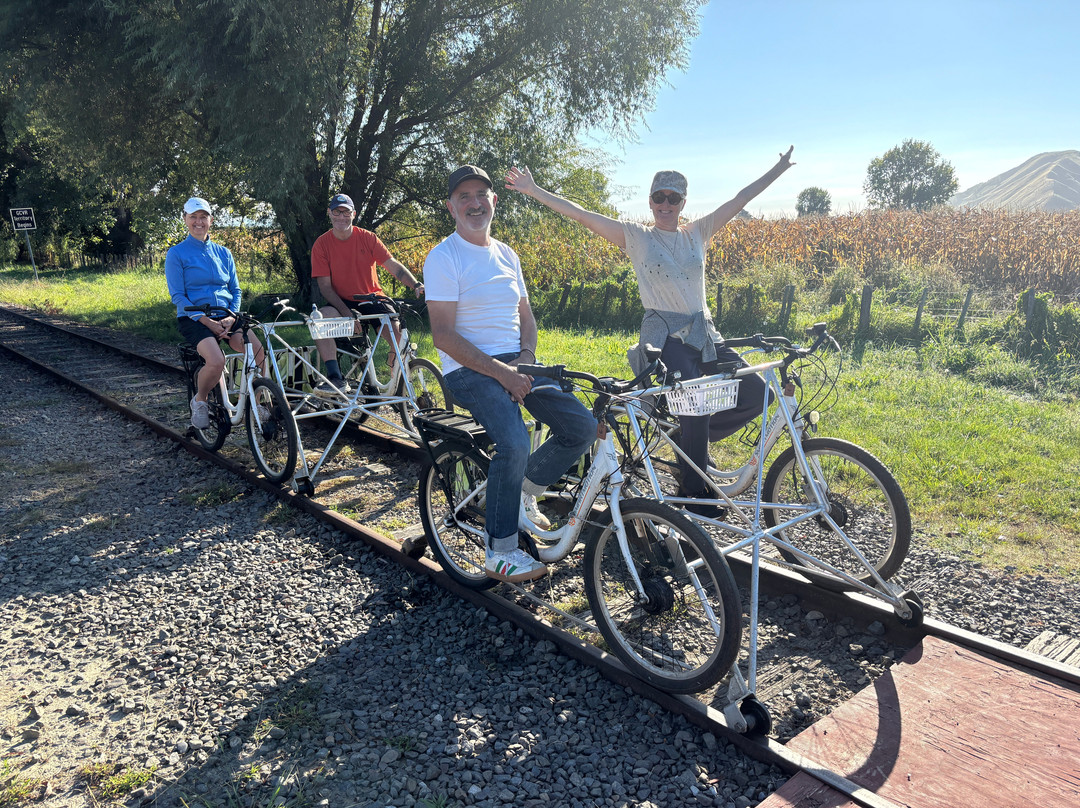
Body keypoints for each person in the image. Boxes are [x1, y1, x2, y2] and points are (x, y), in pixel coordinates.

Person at [504, 148, 795, 510]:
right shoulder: (637, 236)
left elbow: (740, 199)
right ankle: (693, 494)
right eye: (659, 197)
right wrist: (533, 190)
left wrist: (778, 169)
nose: (665, 204)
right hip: (666, 338)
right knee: (695, 403)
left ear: (683, 202)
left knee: (758, 393)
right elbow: (581, 214)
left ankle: (686, 436)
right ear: (651, 200)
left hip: (704, 334)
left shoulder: (697, 232)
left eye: (673, 198)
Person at [424, 165, 597, 583]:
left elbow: (526, 318)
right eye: (464, 197)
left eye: (481, 195)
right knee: (514, 442)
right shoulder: (443, 257)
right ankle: (499, 551)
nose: (474, 203)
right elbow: (443, 336)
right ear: (451, 207)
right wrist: (502, 373)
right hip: (468, 369)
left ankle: (519, 493)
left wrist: (525, 357)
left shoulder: (507, 254)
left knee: (583, 427)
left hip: (516, 362)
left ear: (494, 201)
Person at [310, 193, 424, 395]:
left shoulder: (367, 238)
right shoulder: (321, 244)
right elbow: (325, 287)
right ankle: (335, 378)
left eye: (346, 212)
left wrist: (415, 284)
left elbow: (393, 266)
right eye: (337, 212)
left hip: (371, 297)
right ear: (329, 213)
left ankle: (397, 381)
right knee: (320, 320)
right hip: (342, 300)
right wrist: (346, 312)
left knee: (399, 338)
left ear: (353, 214)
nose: (341, 217)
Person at [165, 196, 264, 429]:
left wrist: (232, 316)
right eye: (193, 217)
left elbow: (235, 290)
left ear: (211, 220)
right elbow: (178, 296)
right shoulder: (176, 254)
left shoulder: (223, 253)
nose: (198, 222)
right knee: (217, 361)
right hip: (194, 317)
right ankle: (200, 400)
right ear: (185, 219)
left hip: (227, 316)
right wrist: (207, 321)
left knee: (259, 354)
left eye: (203, 217)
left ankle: (257, 404)